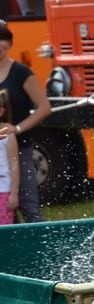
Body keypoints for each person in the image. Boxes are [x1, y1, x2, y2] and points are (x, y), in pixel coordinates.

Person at [0, 23, 50, 223]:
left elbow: (44, 107)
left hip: (19, 149)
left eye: (2, 38)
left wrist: (18, 128)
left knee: (28, 206)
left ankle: (44, 251)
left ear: (10, 43)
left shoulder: (21, 72)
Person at [0, 89, 19, 224]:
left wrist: (14, 194)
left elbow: (14, 165)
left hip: (3, 190)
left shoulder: (8, 134)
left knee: (4, 231)